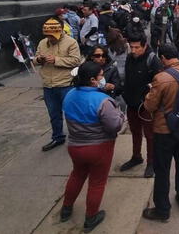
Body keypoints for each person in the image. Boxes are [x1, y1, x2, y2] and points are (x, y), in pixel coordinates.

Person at [59, 62, 125, 232]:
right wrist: (120, 115)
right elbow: (114, 125)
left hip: (75, 146)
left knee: (77, 175)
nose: (103, 78)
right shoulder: (102, 100)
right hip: (99, 148)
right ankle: (91, 218)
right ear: (93, 80)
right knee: (97, 182)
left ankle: (66, 209)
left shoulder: (69, 95)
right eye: (101, 76)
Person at [141, 44, 179, 222]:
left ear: (163, 58)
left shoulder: (161, 77)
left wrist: (150, 91)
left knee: (162, 170)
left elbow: (150, 106)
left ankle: (162, 210)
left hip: (164, 130)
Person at [34, 18, 82, 152]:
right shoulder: (43, 43)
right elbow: (35, 59)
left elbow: (76, 61)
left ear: (60, 31)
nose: (50, 38)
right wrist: (39, 59)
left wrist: (56, 60)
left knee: (72, 114)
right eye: (48, 36)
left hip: (65, 84)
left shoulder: (71, 42)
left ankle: (77, 138)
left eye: (53, 36)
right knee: (54, 114)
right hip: (48, 85)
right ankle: (58, 137)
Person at [121, 34, 162, 178]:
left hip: (146, 106)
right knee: (135, 132)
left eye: (137, 47)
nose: (133, 50)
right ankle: (136, 156)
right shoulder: (129, 58)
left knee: (150, 135)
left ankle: (151, 162)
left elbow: (159, 81)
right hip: (131, 103)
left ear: (145, 46)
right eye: (131, 47)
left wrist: (148, 92)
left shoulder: (152, 60)